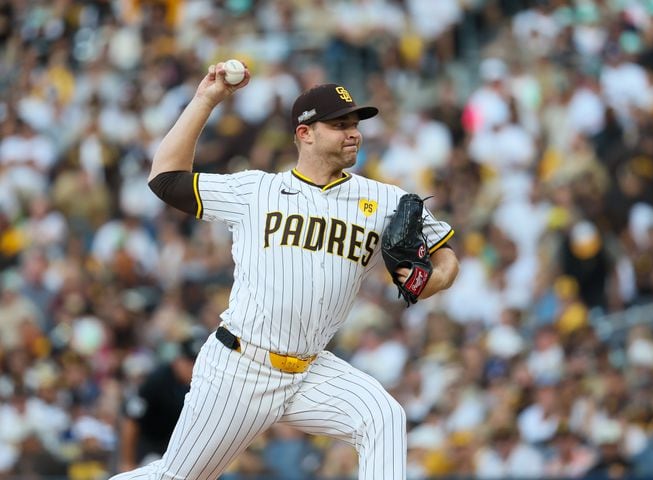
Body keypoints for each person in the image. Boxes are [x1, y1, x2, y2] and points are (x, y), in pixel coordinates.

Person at [109, 61, 459, 480]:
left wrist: (433, 279)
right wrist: (206, 99)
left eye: (355, 123)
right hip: (241, 365)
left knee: (382, 416)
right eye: (339, 124)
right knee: (177, 477)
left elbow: (446, 256)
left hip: (311, 369)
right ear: (304, 133)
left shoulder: (383, 200)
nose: (354, 132)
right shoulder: (256, 190)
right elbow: (165, 179)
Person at [118, 334, 204, 471]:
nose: (193, 367)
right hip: (147, 445)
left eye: (197, 362)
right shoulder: (157, 380)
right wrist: (127, 461)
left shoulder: (201, 383)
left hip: (173, 446)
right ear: (178, 360)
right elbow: (131, 420)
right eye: (190, 362)